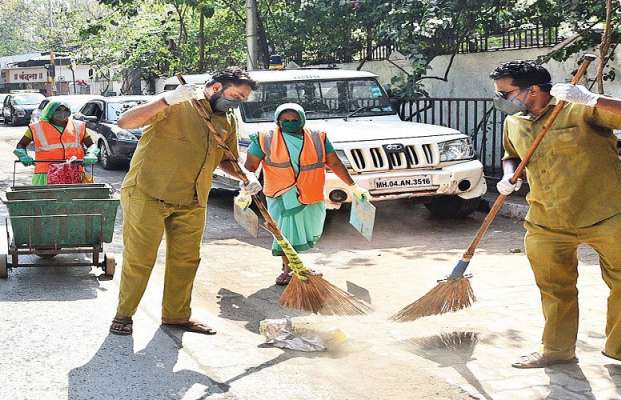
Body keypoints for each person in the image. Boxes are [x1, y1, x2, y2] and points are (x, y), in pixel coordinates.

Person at [490, 60, 621, 374]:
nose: (501, 100)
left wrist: (592, 99)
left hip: (606, 213)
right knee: (554, 288)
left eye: (505, 93)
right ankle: (557, 351)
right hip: (547, 220)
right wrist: (509, 177)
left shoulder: (578, 109)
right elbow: (513, 157)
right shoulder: (514, 123)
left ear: (532, 90)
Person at [109, 67, 262, 336]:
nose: (238, 102)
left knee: (186, 259)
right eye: (236, 95)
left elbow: (226, 158)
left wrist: (245, 175)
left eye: (243, 98)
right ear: (216, 87)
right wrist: (166, 100)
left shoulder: (227, 120)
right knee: (140, 258)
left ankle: (176, 316)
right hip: (148, 192)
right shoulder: (178, 104)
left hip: (193, 198)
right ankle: (124, 314)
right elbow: (125, 122)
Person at [239, 103, 370, 285]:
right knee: (286, 233)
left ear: (303, 119)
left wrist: (353, 186)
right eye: (285, 120)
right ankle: (289, 269)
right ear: (277, 121)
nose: (290, 123)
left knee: (310, 231)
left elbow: (335, 163)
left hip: (312, 193)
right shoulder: (265, 139)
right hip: (282, 194)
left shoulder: (318, 138)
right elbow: (250, 167)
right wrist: (246, 187)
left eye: (295, 120)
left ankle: (294, 265)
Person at [14, 100, 99, 185]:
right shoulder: (36, 127)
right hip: (45, 174)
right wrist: (23, 155)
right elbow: (21, 144)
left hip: (74, 173)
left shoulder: (78, 126)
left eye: (65, 110)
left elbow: (91, 144)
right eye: (58, 110)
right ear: (50, 111)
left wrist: (91, 153)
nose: (62, 113)